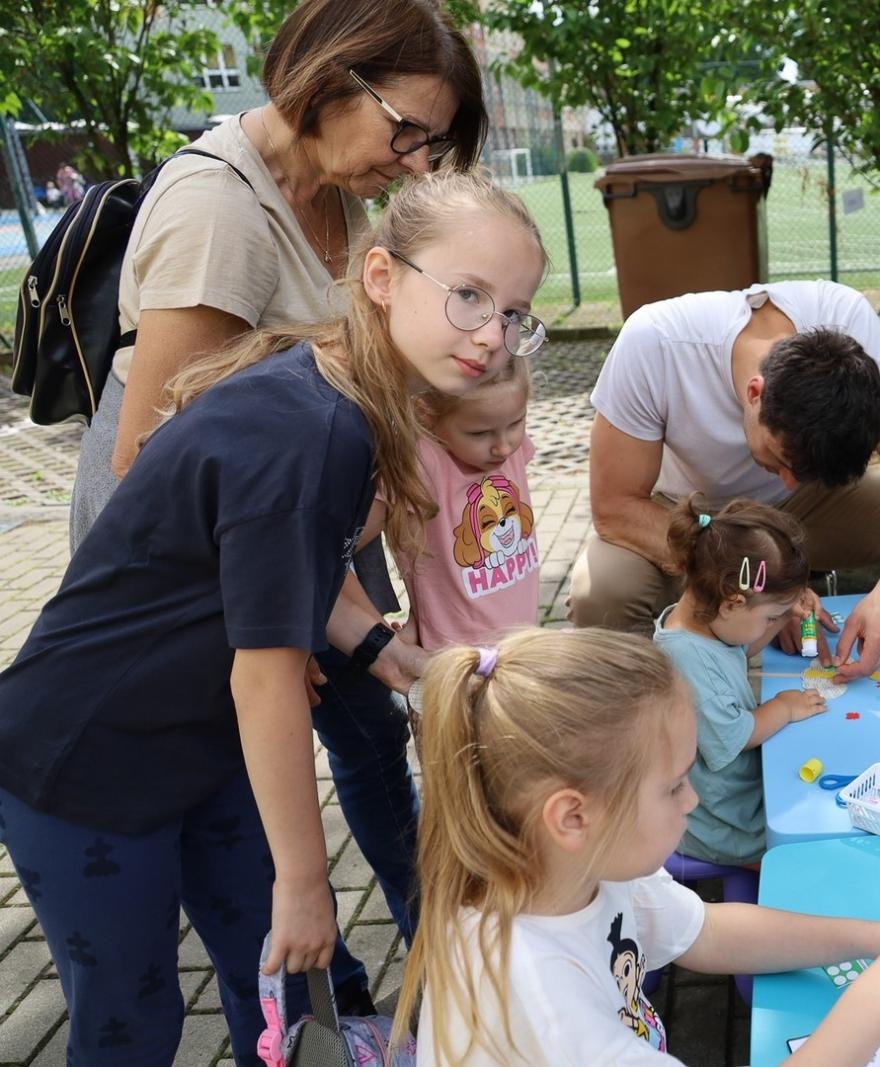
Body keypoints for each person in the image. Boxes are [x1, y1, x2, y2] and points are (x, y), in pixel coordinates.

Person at [0, 169, 549, 1066]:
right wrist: (306, 878)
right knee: (133, 1022)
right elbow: (263, 677)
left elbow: (301, 570)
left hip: (196, 744)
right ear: (381, 277)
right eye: (468, 296)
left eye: (514, 311)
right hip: (83, 764)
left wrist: (388, 650)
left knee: (292, 971)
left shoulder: (345, 393)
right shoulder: (313, 430)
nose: (493, 336)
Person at [67, 0, 488, 943]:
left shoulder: (332, 186)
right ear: (333, 78)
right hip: (211, 534)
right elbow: (151, 455)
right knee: (254, 762)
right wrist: (271, 629)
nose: (417, 160)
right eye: (409, 130)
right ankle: (300, 974)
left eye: (434, 143)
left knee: (371, 727)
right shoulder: (221, 210)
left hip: (300, 506)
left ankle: (434, 938)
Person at [393, 627, 880, 1065]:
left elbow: (705, 932)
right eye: (675, 784)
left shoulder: (580, 870)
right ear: (573, 816)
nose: (692, 802)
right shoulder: (534, 992)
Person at [573, 280, 880, 680]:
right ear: (754, 393)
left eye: (804, 471)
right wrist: (767, 585)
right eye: (782, 460)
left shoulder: (849, 324)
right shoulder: (655, 343)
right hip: (687, 516)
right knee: (603, 589)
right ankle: (660, 705)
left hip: (806, 513)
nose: (788, 482)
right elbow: (615, 507)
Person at [654, 496, 826, 865]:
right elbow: (738, 736)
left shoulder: (702, 626)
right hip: (724, 824)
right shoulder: (686, 660)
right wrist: (783, 708)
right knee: (806, 849)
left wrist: (779, 615)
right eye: (769, 617)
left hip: (731, 796)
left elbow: (738, 651)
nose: (771, 625)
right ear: (732, 603)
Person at [364, 353, 544, 658]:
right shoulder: (420, 462)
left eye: (517, 422)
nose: (504, 445)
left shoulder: (508, 447)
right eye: (479, 433)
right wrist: (373, 631)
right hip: (455, 659)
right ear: (425, 415)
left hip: (523, 646)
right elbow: (340, 547)